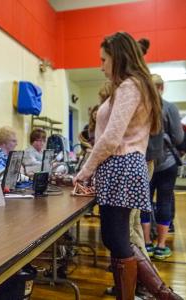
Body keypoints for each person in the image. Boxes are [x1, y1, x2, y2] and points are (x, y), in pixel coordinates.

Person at [74, 32, 181, 299]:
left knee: (118, 238)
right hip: (122, 164)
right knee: (117, 237)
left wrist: (85, 171)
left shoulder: (130, 87)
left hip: (120, 164)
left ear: (117, 58)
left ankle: (156, 295)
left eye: (103, 59)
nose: (100, 66)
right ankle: (163, 294)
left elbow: (111, 137)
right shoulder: (133, 85)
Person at [141, 74, 184, 260]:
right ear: (162, 87)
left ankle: (146, 244)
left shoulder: (140, 107)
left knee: (145, 202)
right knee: (165, 201)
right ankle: (160, 246)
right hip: (167, 163)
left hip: (145, 162)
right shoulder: (170, 107)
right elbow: (178, 138)